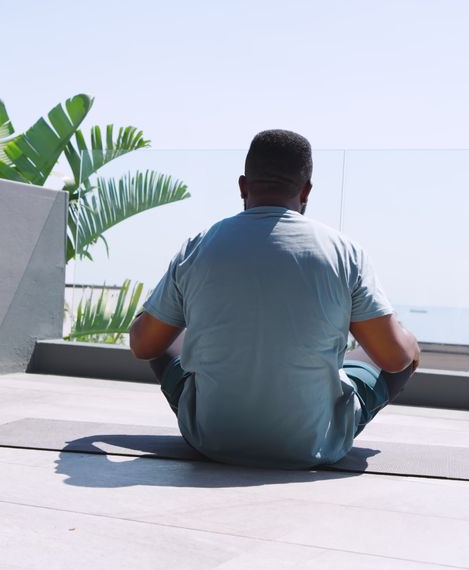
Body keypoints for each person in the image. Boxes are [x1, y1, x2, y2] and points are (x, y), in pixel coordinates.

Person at [128, 129, 420, 469]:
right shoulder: (343, 252)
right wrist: (408, 342)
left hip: (212, 438)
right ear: (307, 189)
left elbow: (143, 346)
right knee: (406, 347)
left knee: (159, 329)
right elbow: (395, 359)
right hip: (311, 445)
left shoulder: (199, 246)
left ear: (243, 185)